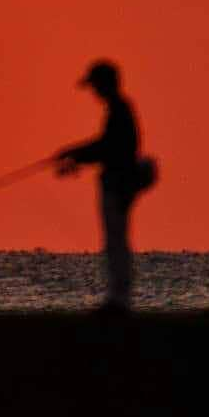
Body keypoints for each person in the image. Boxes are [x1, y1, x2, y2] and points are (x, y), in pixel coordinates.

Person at [54, 59, 143, 311]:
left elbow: (108, 147)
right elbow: (106, 147)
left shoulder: (120, 110)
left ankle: (119, 299)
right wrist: (75, 156)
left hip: (118, 183)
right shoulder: (119, 109)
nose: (93, 91)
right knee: (115, 238)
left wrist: (74, 154)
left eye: (95, 85)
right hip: (117, 182)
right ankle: (119, 297)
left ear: (104, 85)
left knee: (115, 239)